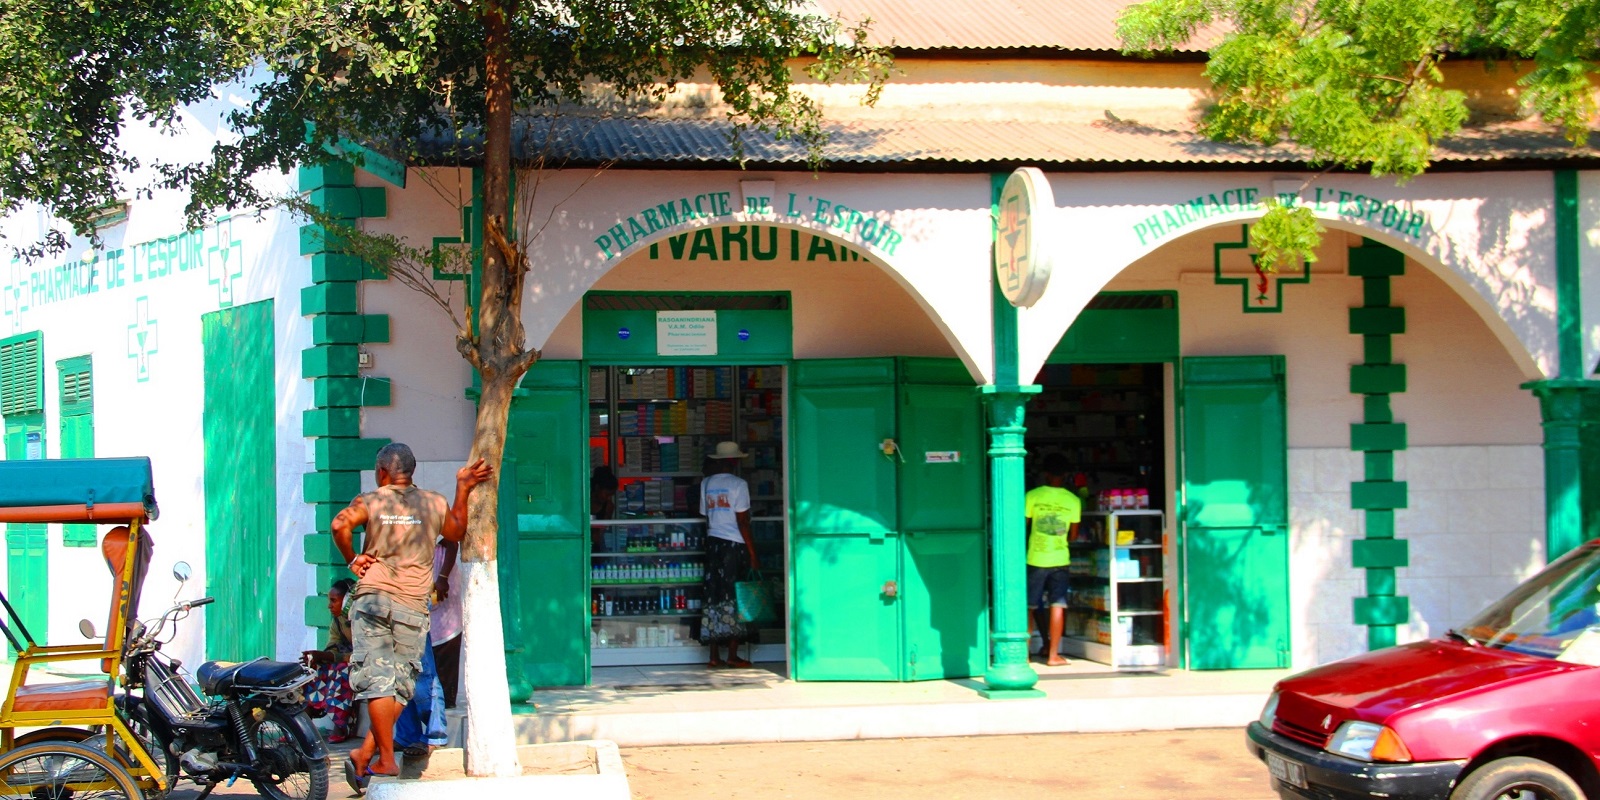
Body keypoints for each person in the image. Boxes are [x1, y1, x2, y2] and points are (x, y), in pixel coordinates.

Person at [332, 443, 490, 791]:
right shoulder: (433, 502)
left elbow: (338, 525)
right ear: (411, 472)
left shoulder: (371, 500)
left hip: (373, 600)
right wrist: (462, 487)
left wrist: (352, 559)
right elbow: (456, 532)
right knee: (401, 685)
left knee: (379, 683)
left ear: (382, 472)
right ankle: (380, 757)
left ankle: (374, 756)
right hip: (412, 605)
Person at [699, 441, 759, 668]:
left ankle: (714, 656)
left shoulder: (706, 483)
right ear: (734, 462)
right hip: (733, 546)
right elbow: (742, 521)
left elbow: (707, 515)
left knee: (713, 597)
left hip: (713, 544)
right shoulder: (739, 484)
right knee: (735, 597)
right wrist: (753, 554)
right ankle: (732, 654)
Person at [1026, 452, 1080, 667]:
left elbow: (1024, 526)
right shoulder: (1073, 500)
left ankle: (1025, 655)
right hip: (1060, 559)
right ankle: (1053, 655)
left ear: (1045, 474)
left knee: (1029, 606)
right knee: (1058, 604)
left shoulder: (1032, 496)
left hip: (1035, 558)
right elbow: (1073, 535)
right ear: (1066, 475)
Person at [303, 578, 358, 742]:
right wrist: (318, 658)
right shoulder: (338, 620)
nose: (329, 605)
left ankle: (341, 726)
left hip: (365, 662)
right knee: (312, 671)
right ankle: (305, 724)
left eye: (334, 601)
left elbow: (363, 653)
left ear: (348, 600)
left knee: (342, 672)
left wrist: (330, 657)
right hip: (348, 660)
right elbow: (333, 645)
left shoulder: (362, 620)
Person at [429, 540, 462, 709]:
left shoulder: (437, 517)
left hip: (443, 592)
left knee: (446, 645)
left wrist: (442, 577)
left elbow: (451, 543)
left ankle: (446, 700)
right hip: (422, 598)